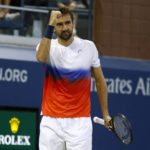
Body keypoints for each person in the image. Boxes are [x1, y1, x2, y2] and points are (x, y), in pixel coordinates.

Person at [36, 7, 111, 150]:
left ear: (73, 23)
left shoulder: (89, 47)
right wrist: (50, 24)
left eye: (68, 23)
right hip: (51, 121)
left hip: (80, 123)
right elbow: (40, 58)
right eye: (59, 24)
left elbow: (100, 81)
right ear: (53, 27)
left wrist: (105, 113)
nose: (65, 28)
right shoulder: (47, 46)